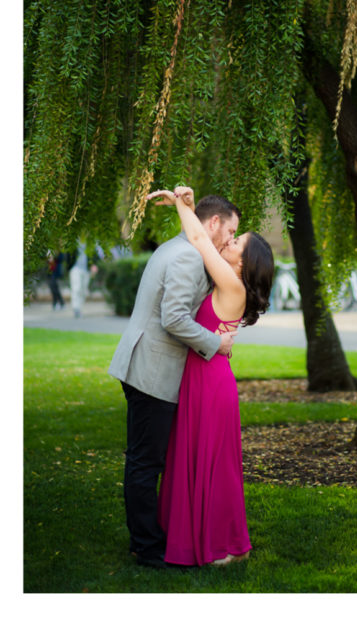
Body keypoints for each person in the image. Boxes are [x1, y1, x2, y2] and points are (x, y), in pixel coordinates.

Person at [108, 193, 240, 568]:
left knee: (147, 460)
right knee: (145, 464)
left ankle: (150, 538)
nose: (230, 240)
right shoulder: (185, 256)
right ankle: (147, 548)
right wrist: (217, 343)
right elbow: (175, 319)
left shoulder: (182, 246)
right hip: (151, 370)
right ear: (212, 223)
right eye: (229, 231)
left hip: (146, 365)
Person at [147, 185, 274, 567]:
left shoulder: (233, 284)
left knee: (213, 465)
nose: (230, 242)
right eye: (233, 236)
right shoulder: (227, 282)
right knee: (192, 458)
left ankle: (222, 545)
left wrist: (183, 206)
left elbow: (201, 237)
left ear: (243, 262)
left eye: (238, 243)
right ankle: (203, 540)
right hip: (203, 377)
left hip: (210, 382)